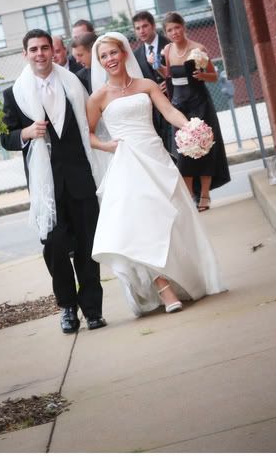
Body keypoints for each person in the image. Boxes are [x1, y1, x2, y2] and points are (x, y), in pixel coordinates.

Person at [86, 32, 226, 317]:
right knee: (141, 225)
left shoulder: (146, 85)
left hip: (156, 158)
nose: (110, 59)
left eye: (113, 53)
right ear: (99, 62)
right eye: (104, 56)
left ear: (124, 53)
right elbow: (88, 135)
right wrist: (106, 145)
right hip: (126, 163)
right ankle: (163, 288)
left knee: (172, 221)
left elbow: (169, 111)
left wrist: (189, 127)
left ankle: (183, 278)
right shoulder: (97, 97)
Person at [0, 30, 106, 334]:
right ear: (25, 54)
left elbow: (92, 124)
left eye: (44, 48)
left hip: (81, 179)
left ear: (53, 51)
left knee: (88, 246)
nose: (39, 54)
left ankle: (93, 310)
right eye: (33, 49)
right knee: (55, 247)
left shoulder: (74, 83)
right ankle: (67, 308)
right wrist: (25, 133)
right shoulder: (14, 94)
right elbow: (5, 138)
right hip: (46, 187)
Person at [160, 12, 231, 212]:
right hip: (179, 107)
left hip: (200, 105)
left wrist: (202, 75)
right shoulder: (167, 50)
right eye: (170, 30)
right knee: (184, 152)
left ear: (183, 27)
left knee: (204, 149)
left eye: (177, 27)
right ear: (166, 33)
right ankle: (190, 195)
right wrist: (156, 67)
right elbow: (168, 75)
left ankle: (205, 195)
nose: (174, 32)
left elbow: (214, 76)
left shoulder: (198, 49)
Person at [132, 11, 171, 152]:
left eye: (145, 26)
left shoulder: (170, 45)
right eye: (138, 28)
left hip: (175, 102)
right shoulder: (136, 55)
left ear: (153, 26)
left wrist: (169, 84)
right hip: (154, 111)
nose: (141, 31)